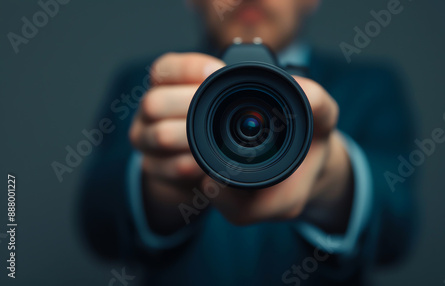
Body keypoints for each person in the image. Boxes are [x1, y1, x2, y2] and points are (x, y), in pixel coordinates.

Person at [80, 0, 417, 285]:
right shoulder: (143, 82)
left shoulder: (370, 86)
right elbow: (96, 224)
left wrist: (335, 177)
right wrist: (155, 188)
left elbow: (398, 226)